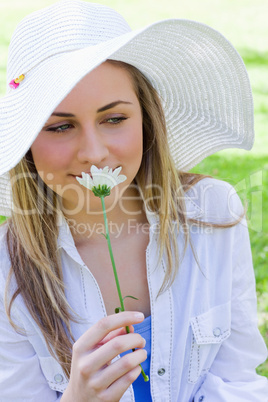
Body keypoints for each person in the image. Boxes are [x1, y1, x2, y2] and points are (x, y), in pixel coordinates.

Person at [0, 0, 267, 401]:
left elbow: (238, 380)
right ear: (26, 145)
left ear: (146, 119)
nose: (93, 153)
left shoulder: (213, 212)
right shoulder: (8, 270)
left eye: (113, 119)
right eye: (59, 126)